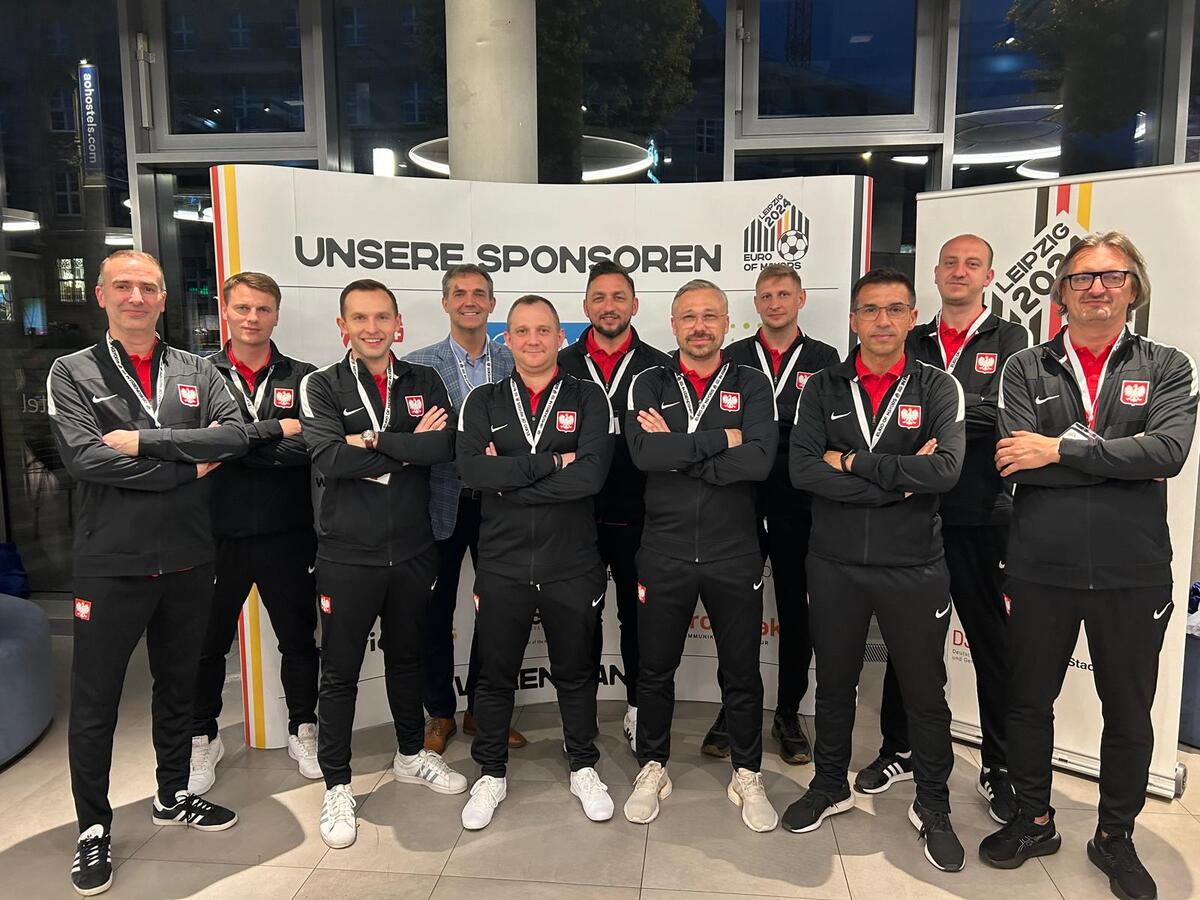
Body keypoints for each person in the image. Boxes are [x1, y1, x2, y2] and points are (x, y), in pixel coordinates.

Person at [981, 232, 1198, 900]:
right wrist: (1117, 461)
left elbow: (1167, 453)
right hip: (1039, 567)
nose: (1097, 288)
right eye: (1082, 277)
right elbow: (1016, 461)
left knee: (1128, 714)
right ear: (1062, 292)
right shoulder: (1026, 366)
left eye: (1111, 276)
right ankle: (1033, 819)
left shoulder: (1167, 365)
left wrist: (1058, 451)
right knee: (1027, 704)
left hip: (1133, 572)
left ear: (1134, 288)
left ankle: (1114, 837)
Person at [47, 250, 248, 896]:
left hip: (189, 557)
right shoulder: (72, 371)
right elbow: (85, 459)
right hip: (111, 563)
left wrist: (143, 443)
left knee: (179, 685)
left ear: (163, 298)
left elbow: (234, 436)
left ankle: (172, 793)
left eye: (148, 288)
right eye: (124, 286)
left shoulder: (196, 368)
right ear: (101, 295)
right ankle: (92, 827)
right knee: (96, 700)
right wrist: (185, 469)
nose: (136, 297)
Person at [784, 268, 967, 872]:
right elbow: (803, 471)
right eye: (870, 309)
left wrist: (851, 463)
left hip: (913, 566)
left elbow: (945, 472)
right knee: (834, 683)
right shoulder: (822, 386)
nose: (882, 321)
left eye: (894, 309)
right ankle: (829, 783)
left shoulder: (938, 386)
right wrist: (898, 480)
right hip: (834, 563)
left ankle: (933, 804)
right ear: (853, 319)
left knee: (924, 691)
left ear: (912, 317)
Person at [858, 235, 1031, 823]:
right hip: (912, 511)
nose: (960, 272)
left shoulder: (1013, 341)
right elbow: (885, 420)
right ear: (935, 274)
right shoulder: (914, 335)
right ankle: (899, 748)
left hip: (982, 516)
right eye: (950, 263)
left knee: (991, 645)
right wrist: (953, 421)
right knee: (907, 642)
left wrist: (940, 421)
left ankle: (998, 765)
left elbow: (1008, 416)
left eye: (972, 264)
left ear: (989, 275)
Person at [299, 278, 467, 850]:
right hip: (347, 554)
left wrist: (368, 441)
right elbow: (328, 457)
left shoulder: (424, 379)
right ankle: (337, 784)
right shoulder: (321, 384)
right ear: (342, 326)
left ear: (399, 325)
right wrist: (400, 445)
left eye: (382, 318)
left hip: (415, 549)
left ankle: (411, 754)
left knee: (407, 658)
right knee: (340, 672)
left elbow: (441, 448)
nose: (372, 329)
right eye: (360, 318)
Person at [623, 278, 779, 833]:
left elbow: (759, 462)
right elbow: (645, 455)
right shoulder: (648, 380)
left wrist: (680, 451)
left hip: (733, 551)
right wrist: (722, 439)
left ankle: (747, 772)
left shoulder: (751, 381)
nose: (699, 326)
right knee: (654, 668)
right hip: (663, 550)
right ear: (673, 324)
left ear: (726, 323)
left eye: (710, 315)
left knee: (741, 670)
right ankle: (653, 766)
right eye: (689, 316)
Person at [456, 295, 614, 829]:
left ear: (559, 336)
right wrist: (554, 462)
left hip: (572, 561)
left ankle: (583, 764)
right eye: (521, 331)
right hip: (502, 563)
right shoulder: (482, 400)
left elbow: (590, 477)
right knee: (495, 674)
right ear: (507, 339)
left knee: (576, 670)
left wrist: (511, 480)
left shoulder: (588, 397)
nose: (532, 340)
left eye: (543, 330)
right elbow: (474, 473)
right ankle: (491, 772)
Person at [189, 271, 321, 793]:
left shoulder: (303, 376)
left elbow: (309, 445)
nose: (252, 318)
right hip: (215, 534)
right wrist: (268, 437)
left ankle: (303, 727)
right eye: (242, 308)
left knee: (299, 639)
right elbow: (195, 445)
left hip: (288, 533)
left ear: (276, 314)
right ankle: (203, 735)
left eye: (263, 309)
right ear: (225, 311)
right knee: (207, 644)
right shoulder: (198, 373)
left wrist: (231, 446)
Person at [717, 263, 839, 765]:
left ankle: (787, 712)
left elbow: (823, 433)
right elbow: (722, 427)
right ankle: (732, 709)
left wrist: (764, 433)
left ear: (800, 299)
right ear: (756, 303)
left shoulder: (825, 359)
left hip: (799, 503)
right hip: (740, 498)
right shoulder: (733, 357)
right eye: (766, 295)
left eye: (783, 294)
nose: (774, 303)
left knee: (795, 610)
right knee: (734, 611)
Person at [405, 264, 526, 754]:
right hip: (441, 504)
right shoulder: (417, 365)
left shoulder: (517, 358)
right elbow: (415, 439)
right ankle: (439, 712)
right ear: (445, 303)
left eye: (479, 293)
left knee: (498, 610)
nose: (470, 301)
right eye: (459, 293)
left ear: (493, 303)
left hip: (504, 505)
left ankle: (483, 709)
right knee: (434, 611)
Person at [557, 259, 670, 750]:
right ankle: (579, 719)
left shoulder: (660, 367)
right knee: (578, 620)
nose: (609, 306)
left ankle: (637, 708)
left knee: (637, 618)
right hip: (572, 515)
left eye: (618, 297)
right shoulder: (560, 364)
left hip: (639, 514)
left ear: (634, 305)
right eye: (599, 298)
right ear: (585, 306)